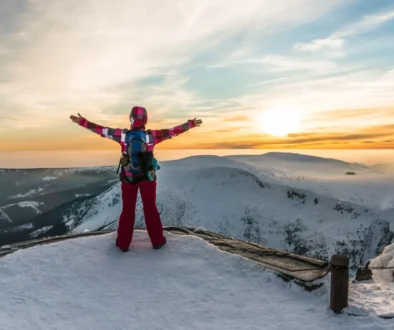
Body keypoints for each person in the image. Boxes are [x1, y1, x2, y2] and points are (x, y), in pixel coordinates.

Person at [70, 106, 202, 251]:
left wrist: (82, 122)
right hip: (148, 177)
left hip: (128, 178)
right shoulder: (152, 136)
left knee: (128, 210)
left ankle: (123, 243)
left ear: (130, 119)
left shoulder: (122, 135)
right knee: (150, 208)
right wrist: (190, 124)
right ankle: (157, 241)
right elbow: (172, 132)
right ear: (146, 119)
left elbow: (101, 130)